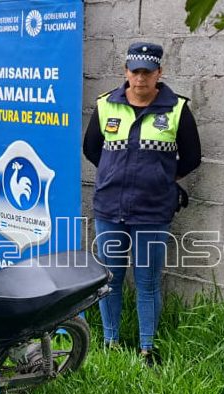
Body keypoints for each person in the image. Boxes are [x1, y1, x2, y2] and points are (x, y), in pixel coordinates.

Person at [83, 42, 201, 366]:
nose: (140, 78)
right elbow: (91, 149)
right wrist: (114, 175)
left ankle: (147, 348)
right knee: (110, 279)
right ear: (126, 71)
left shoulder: (176, 109)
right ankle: (111, 342)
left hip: (153, 211)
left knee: (147, 281)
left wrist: (160, 178)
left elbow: (192, 157)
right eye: (135, 71)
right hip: (110, 208)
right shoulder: (106, 105)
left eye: (147, 72)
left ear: (159, 73)